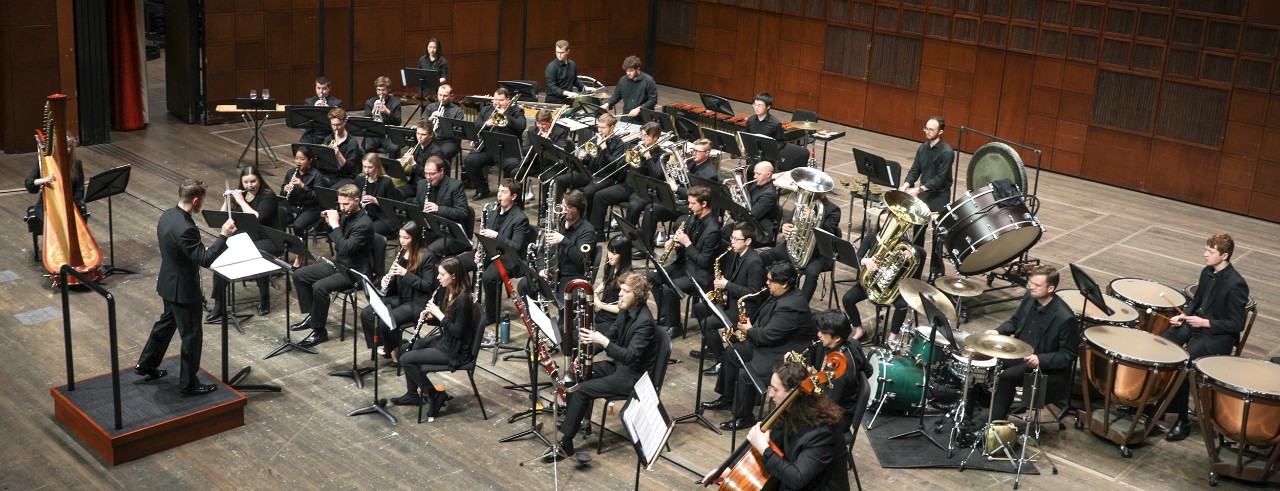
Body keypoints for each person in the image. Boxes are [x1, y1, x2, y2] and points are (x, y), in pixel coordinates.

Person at [134, 179, 235, 397]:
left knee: (165, 325)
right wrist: (224, 236)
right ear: (196, 200)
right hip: (184, 291)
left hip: (168, 283)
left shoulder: (168, 215)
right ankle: (188, 384)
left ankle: (146, 364)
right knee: (191, 336)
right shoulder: (187, 229)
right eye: (203, 201)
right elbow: (204, 259)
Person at [551, 272, 659, 461]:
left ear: (637, 295)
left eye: (625, 291)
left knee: (582, 390)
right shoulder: (626, 309)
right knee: (575, 376)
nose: (620, 294)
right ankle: (576, 422)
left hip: (633, 377)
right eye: (621, 289)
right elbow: (611, 335)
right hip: (619, 366)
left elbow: (630, 357)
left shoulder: (645, 322)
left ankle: (566, 443)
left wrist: (603, 341)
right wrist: (583, 358)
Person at [703, 361, 850, 490]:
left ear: (793, 393)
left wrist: (764, 449)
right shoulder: (786, 411)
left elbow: (797, 478)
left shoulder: (823, 432)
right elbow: (760, 442)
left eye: (775, 389)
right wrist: (730, 469)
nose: (770, 394)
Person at [1161, 234, 1250, 441]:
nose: (1205, 254)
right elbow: (1196, 301)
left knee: (1185, 364)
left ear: (1224, 256)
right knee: (1163, 346)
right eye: (1206, 250)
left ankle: (1182, 420)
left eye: (1210, 252)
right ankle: (1154, 405)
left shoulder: (1236, 284)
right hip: (1195, 324)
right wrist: (1183, 315)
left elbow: (1237, 324)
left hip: (1216, 335)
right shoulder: (1207, 271)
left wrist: (1205, 323)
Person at [710, 264, 817, 431]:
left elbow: (768, 336)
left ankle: (743, 416)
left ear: (784, 284)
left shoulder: (791, 306)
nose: (767, 283)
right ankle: (727, 398)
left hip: (785, 353)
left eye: (771, 281)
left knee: (747, 373)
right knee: (733, 352)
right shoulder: (780, 294)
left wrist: (749, 330)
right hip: (772, 344)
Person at [983, 264, 1077, 422]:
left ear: (1050, 288)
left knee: (1007, 377)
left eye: (1037, 285)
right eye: (1030, 283)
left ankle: (994, 424)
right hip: (1019, 353)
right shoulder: (1030, 296)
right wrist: (998, 331)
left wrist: (1040, 359)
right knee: (985, 359)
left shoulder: (1065, 318)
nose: (1031, 287)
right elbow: (1015, 321)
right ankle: (978, 409)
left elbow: (1068, 355)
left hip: (1042, 366)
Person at [392, 257, 478, 422]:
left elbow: (458, 331)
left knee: (406, 359)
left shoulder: (463, 299)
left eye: (442, 274)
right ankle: (412, 394)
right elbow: (447, 322)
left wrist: (439, 314)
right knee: (405, 348)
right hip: (447, 340)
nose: (438, 277)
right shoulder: (448, 290)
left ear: (454, 276)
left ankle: (434, 394)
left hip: (455, 351)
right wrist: (430, 317)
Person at [289, 184, 374, 348]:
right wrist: (330, 225)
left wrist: (335, 225)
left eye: (346, 204)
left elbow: (345, 248)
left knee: (319, 287)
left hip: (355, 270)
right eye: (340, 203)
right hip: (340, 264)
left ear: (357, 201)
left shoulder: (364, 224)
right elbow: (337, 242)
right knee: (299, 275)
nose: (341, 207)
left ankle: (319, 331)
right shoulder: (347, 215)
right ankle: (313, 316)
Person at [208, 166, 280, 320]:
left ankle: (265, 298)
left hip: (268, 239)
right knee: (220, 259)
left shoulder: (268, 197)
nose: (249, 185)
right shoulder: (241, 196)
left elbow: (257, 218)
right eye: (246, 182)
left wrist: (241, 201)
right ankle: (219, 304)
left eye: (253, 181)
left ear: (259, 180)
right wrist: (227, 201)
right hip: (245, 238)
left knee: (255, 256)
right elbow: (221, 219)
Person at [648, 185, 721, 338]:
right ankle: (666, 315)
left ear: (704, 204)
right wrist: (676, 244)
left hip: (701, 274)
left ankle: (676, 326)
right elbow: (687, 243)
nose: (689, 206)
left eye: (693, 203)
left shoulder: (713, 230)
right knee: (653, 276)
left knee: (670, 289)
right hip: (686, 264)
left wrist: (686, 243)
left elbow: (704, 261)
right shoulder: (694, 217)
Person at [694, 222, 765, 376]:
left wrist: (728, 285)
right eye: (731, 238)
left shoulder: (754, 262)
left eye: (736, 239)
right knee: (699, 309)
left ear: (748, 241)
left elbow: (754, 292)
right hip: (730, 299)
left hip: (744, 309)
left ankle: (722, 360)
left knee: (708, 324)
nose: (732, 242)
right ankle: (712, 348)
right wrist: (725, 292)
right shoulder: (734, 254)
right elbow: (731, 278)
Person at [841, 208, 919, 343]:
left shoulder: (903, 241)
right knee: (847, 299)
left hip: (892, 284)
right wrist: (866, 261)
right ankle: (859, 330)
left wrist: (908, 255)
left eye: (886, 222)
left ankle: (892, 338)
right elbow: (858, 257)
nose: (883, 224)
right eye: (881, 221)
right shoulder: (871, 237)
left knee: (902, 305)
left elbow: (909, 266)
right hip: (872, 281)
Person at [361, 221, 436, 359]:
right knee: (367, 313)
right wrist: (386, 281)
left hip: (416, 302)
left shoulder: (426, 256)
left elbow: (427, 285)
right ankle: (389, 345)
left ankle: (393, 350)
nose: (402, 241)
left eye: (406, 238)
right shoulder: (400, 252)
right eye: (400, 237)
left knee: (387, 320)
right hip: (399, 297)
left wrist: (405, 274)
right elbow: (396, 280)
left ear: (415, 238)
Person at [519, 189, 596, 308]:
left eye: (568, 207)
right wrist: (541, 270)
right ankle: (541, 317)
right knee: (524, 285)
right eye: (562, 205)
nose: (563, 210)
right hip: (552, 273)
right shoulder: (557, 224)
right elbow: (542, 252)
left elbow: (581, 260)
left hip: (571, 276)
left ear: (577, 210)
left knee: (565, 306)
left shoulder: (587, 231)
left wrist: (563, 240)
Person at [760, 186, 839, 300]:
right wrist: (784, 226)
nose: (809, 190)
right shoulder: (804, 203)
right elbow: (790, 219)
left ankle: (802, 304)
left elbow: (830, 233)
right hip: (794, 247)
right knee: (764, 257)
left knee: (812, 273)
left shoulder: (833, 210)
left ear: (822, 191)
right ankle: (765, 295)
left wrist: (815, 220)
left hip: (816, 254)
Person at [900, 116, 953, 282]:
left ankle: (935, 272)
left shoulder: (946, 152)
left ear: (940, 132)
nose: (927, 132)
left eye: (931, 130)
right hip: (923, 194)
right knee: (918, 233)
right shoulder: (922, 148)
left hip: (939, 196)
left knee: (937, 236)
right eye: (926, 128)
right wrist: (905, 186)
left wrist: (918, 189)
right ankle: (916, 267)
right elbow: (915, 170)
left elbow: (940, 179)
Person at [472, 178, 531, 325]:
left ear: (513, 196)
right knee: (459, 263)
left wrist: (497, 236)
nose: (499, 195)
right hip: (490, 252)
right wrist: (478, 251)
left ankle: (492, 316)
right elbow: (484, 236)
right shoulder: (493, 212)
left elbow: (516, 247)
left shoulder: (520, 218)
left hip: (509, 259)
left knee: (488, 277)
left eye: (504, 192)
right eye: (499, 191)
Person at [591, 121, 666, 235]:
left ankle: (627, 237)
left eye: (647, 136)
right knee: (599, 195)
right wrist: (626, 160)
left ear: (655, 137)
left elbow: (658, 175)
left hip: (643, 192)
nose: (643, 138)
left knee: (634, 206)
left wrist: (649, 158)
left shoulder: (662, 155)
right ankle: (597, 233)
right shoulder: (636, 148)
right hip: (627, 186)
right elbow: (618, 167)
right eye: (642, 135)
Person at [809, 310, 872, 437]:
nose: (818, 334)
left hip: (836, 420)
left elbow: (825, 405)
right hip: (845, 407)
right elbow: (869, 370)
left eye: (823, 332)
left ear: (837, 338)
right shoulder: (853, 343)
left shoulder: (837, 371)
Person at [463, 87, 526, 199]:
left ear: (508, 100)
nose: (497, 103)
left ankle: (506, 194)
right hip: (489, 149)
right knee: (470, 161)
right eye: (495, 99)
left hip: (508, 151)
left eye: (501, 100)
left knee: (511, 166)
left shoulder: (517, 111)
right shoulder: (486, 110)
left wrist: (506, 116)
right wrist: (486, 123)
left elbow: (521, 126)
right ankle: (482, 189)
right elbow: (476, 126)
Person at [411, 156, 472, 257]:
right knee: (408, 243)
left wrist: (438, 209)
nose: (428, 177)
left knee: (430, 252)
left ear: (441, 171)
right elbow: (418, 205)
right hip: (429, 229)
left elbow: (462, 212)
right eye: (426, 173)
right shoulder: (422, 184)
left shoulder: (455, 186)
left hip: (450, 233)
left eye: (432, 174)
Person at [744, 92, 810, 173]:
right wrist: (745, 146)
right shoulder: (750, 120)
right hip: (753, 154)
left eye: (760, 105)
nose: (756, 108)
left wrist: (770, 150)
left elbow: (781, 142)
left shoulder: (775, 123)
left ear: (768, 107)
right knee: (750, 172)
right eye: (755, 105)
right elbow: (746, 136)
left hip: (767, 158)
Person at [281, 146, 329, 240]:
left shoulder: (316, 175)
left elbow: (318, 197)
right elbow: (282, 191)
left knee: (297, 225)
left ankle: (300, 246)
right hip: (293, 206)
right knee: (279, 218)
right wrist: (284, 189)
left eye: (302, 159)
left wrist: (303, 186)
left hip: (310, 209)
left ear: (310, 160)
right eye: (296, 158)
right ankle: (282, 245)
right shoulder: (291, 173)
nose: (298, 162)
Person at [354, 153, 404, 238]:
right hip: (366, 214)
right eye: (364, 167)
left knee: (367, 231)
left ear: (377, 167)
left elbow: (392, 207)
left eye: (370, 167)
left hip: (384, 217)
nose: (367, 170)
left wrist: (376, 201)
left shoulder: (386, 182)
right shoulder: (360, 178)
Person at [591, 235, 633, 329]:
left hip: (613, 322)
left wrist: (599, 304)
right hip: (603, 315)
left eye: (614, 253)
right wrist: (595, 293)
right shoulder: (612, 267)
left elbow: (621, 308)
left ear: (624, 255)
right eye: (609, 251)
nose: (610, 256)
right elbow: (607, 282)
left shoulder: (628, 278)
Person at [397, 121, 448, 197]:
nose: (419, 137)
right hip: (414, 183)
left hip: (426, 186)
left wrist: (413, 164)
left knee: (397, 194)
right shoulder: (418, 146)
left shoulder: (436, 152)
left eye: (423, 134)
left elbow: (431, 175)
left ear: (431, 135)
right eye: (418, 133)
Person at [602, 55, 657, 124]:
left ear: (638, 69)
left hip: (643, 119)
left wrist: (639, 109)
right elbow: (617, 95)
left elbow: (653, 100)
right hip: (627, 116)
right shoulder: (623, 80)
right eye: (627, 70)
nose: (628, 73)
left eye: (631, 71)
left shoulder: (648, 81)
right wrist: (607, 104)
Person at [738, 161, 781, 247]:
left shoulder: (769, 195)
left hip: (759, 232)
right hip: (749, 223)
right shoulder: (757, 184)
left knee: (726, 235)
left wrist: (737, 210)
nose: (754, 176)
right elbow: (748, 200)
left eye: (758, 174)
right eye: (755, 173)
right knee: (724, 232)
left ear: (768, 175)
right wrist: (739, 192)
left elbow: (752, 216)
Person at [419, 84, 465, 161]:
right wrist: (431, 118)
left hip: (449, 141)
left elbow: (459, 131)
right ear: (437, 94)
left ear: (451, 96)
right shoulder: (431, 107)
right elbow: (421, 124)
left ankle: (443, 169)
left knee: (442, 153)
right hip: (432, 138)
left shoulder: (457, 111)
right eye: (440, 95)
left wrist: (445, 122)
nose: (442, 98)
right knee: (420, 150)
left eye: (445, 96)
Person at [321, 107, 364, 189]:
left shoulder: (351, 142)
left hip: (347, 177)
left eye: (338, 125)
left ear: (344, 122)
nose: (335, 128)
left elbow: (349, 168)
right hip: (332, 174)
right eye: (333, 125)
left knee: (332, 190)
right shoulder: (329, 139)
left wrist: (338, 154)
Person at [361, 76, 403, 155]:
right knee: (366, 147)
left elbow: (398, 122)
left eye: (383, 90)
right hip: (373, 134)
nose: (381, 92)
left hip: (389, 135)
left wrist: (388, 112)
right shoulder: (369, 102)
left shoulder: (396, 103)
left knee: (394, 148)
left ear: (389, 89)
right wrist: (373, 110)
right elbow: (365, 122)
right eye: (378, 90)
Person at [544, 40, 589, 105]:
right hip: (554, 101)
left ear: (567, 51)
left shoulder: (572, 64)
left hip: (568, 100)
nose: (559, 55)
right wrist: (568, 93)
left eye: (562, 53)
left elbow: (575, 80)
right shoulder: (551, 67)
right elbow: (552, 87)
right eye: (557, 52)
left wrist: (585, 87)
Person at [301, 76, 342, 144]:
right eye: (318, 88)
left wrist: (328, 109)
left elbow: (339, 121)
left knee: (327, 149)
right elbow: (305, 121)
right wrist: (314, 108)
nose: (321, 92)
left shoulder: (337, 103)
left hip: (330, 134)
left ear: (329, 88)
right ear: (315, 88)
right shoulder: (309, 102)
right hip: (312, 134)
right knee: (301, 149)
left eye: (324, 89)